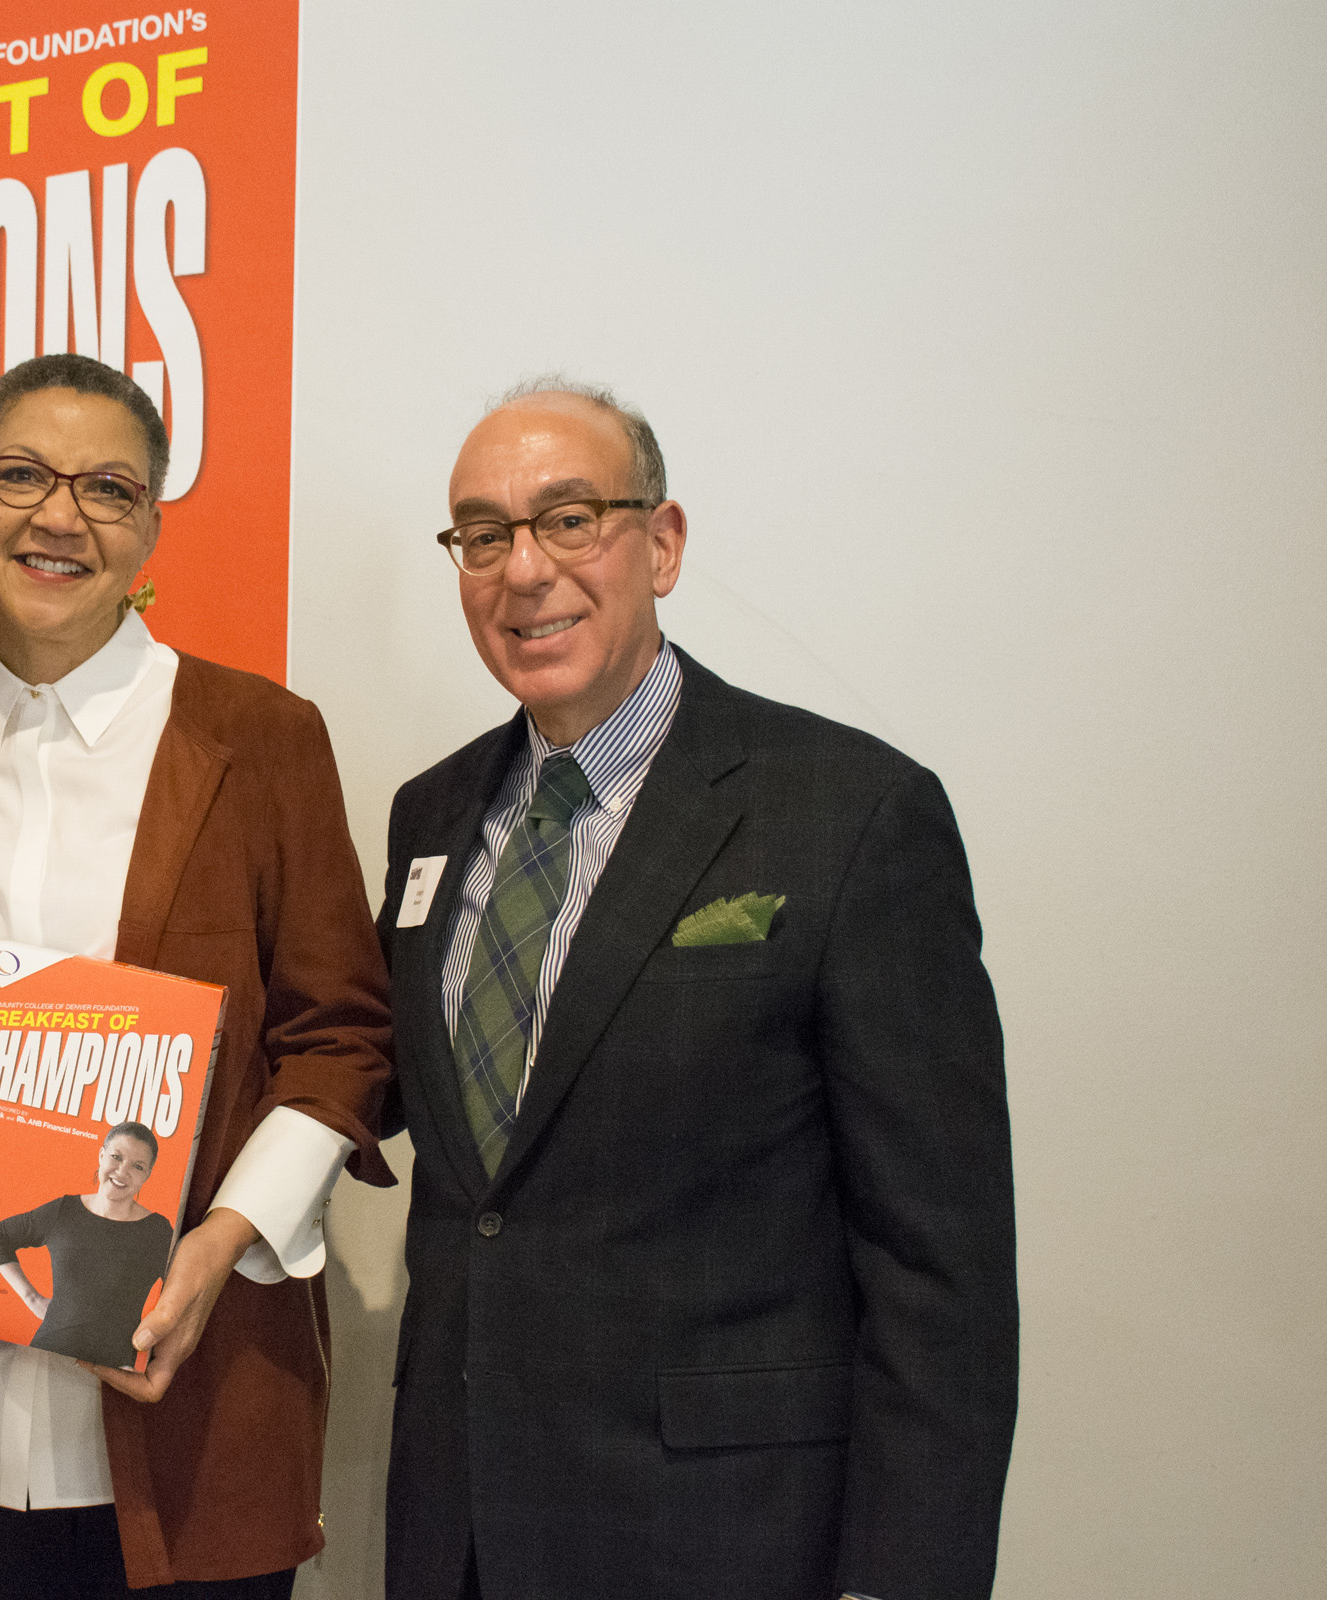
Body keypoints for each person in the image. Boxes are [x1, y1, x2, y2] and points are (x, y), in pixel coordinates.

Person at [378, 378, 1018, 1600]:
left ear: (662, 545)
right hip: (457, 1535)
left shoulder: (851, 811)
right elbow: (385, 1089)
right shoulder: (433, 814)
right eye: (482, 533)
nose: (524, 570)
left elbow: (944, 1275)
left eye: (571, 520)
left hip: (726, 1538)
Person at [0, 352, 393, 1599]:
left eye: (110, 488)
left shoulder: (258, 738)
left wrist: (222, 1243)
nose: (60, 516)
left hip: (188, 1406)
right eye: (21, 475)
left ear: (150, 530)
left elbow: (341, 1033)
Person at [0, 1121, 178, 1368]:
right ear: (101, 1155)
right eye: (116, 1157)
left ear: (148, 1174)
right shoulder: (64, 1211)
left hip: (114, 1367)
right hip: (46, 1355)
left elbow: (181, 1293)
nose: (122, 1171)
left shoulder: (157, 1231)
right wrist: (31, 1297)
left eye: (137, 1166)